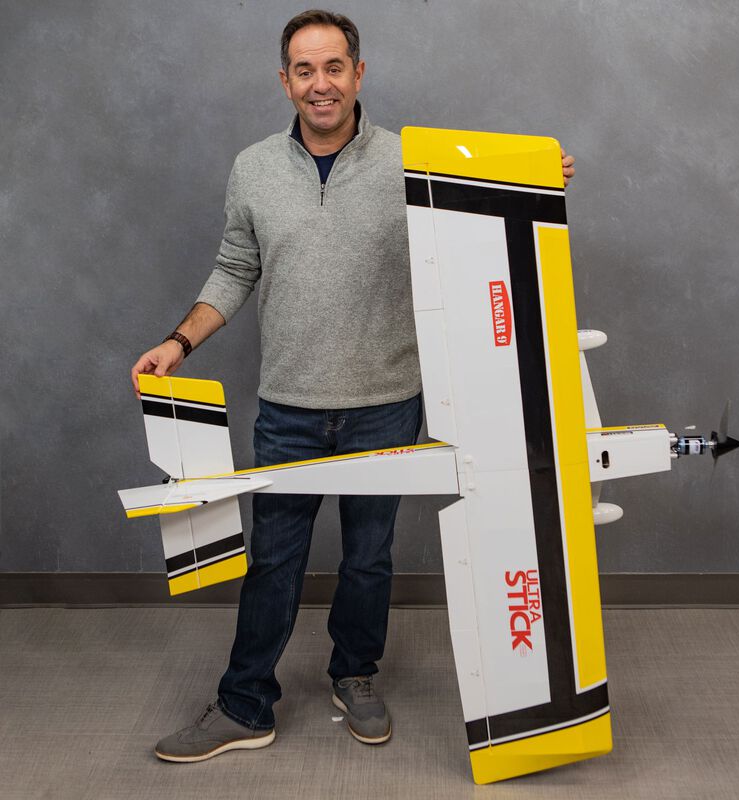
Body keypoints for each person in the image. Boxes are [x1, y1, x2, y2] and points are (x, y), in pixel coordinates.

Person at [131, 9, 577, 763]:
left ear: (358, 73)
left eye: (334, 67)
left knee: (369, 558)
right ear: (285, 81)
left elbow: (480, 213)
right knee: (273, 561)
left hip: (386, 403)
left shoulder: (409, 161)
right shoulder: (253, 168)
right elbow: (235, 267)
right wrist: (178, 341)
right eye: (304, 70)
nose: (321, 84)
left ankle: (355, 674)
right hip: (289, 405)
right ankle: (245, 705)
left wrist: (535, 176)